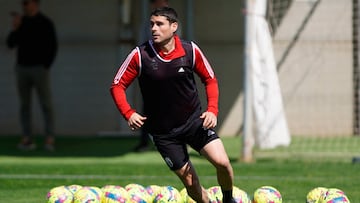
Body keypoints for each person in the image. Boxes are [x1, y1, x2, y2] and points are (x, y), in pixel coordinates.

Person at [110, 7, 235, 203]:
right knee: (190, 182)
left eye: (159, 24)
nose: (154, 29)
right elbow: (117, 86)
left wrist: (212, 110)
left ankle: (228, 199)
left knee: (223, 162)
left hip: (195, 122)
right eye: (151, 24)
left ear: (173, 26)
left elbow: (210, 79)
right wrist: (128, 113)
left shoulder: (189, 50)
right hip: (164, 133)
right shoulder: (140, 55)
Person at [6, 0, 58, 151]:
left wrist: (45, 65)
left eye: (26, 3)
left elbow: (52, 46)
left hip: (39, 69)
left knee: (46, 104)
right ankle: (27, 138)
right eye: (23, 3)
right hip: (22, 68)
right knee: (24, 105)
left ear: (35, 4)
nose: (24, 6)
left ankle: (49, 138)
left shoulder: (45, 23)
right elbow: (10, 44)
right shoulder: (21, 22)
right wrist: (15, 28)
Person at [134, 0, 171, 152]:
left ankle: (176, 140)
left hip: (168, 72)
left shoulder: (171, 22)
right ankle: (145, 141)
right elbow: (142, 47)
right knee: (148, 107)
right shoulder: (147, 25)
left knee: (172, 106)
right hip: (151, 71)